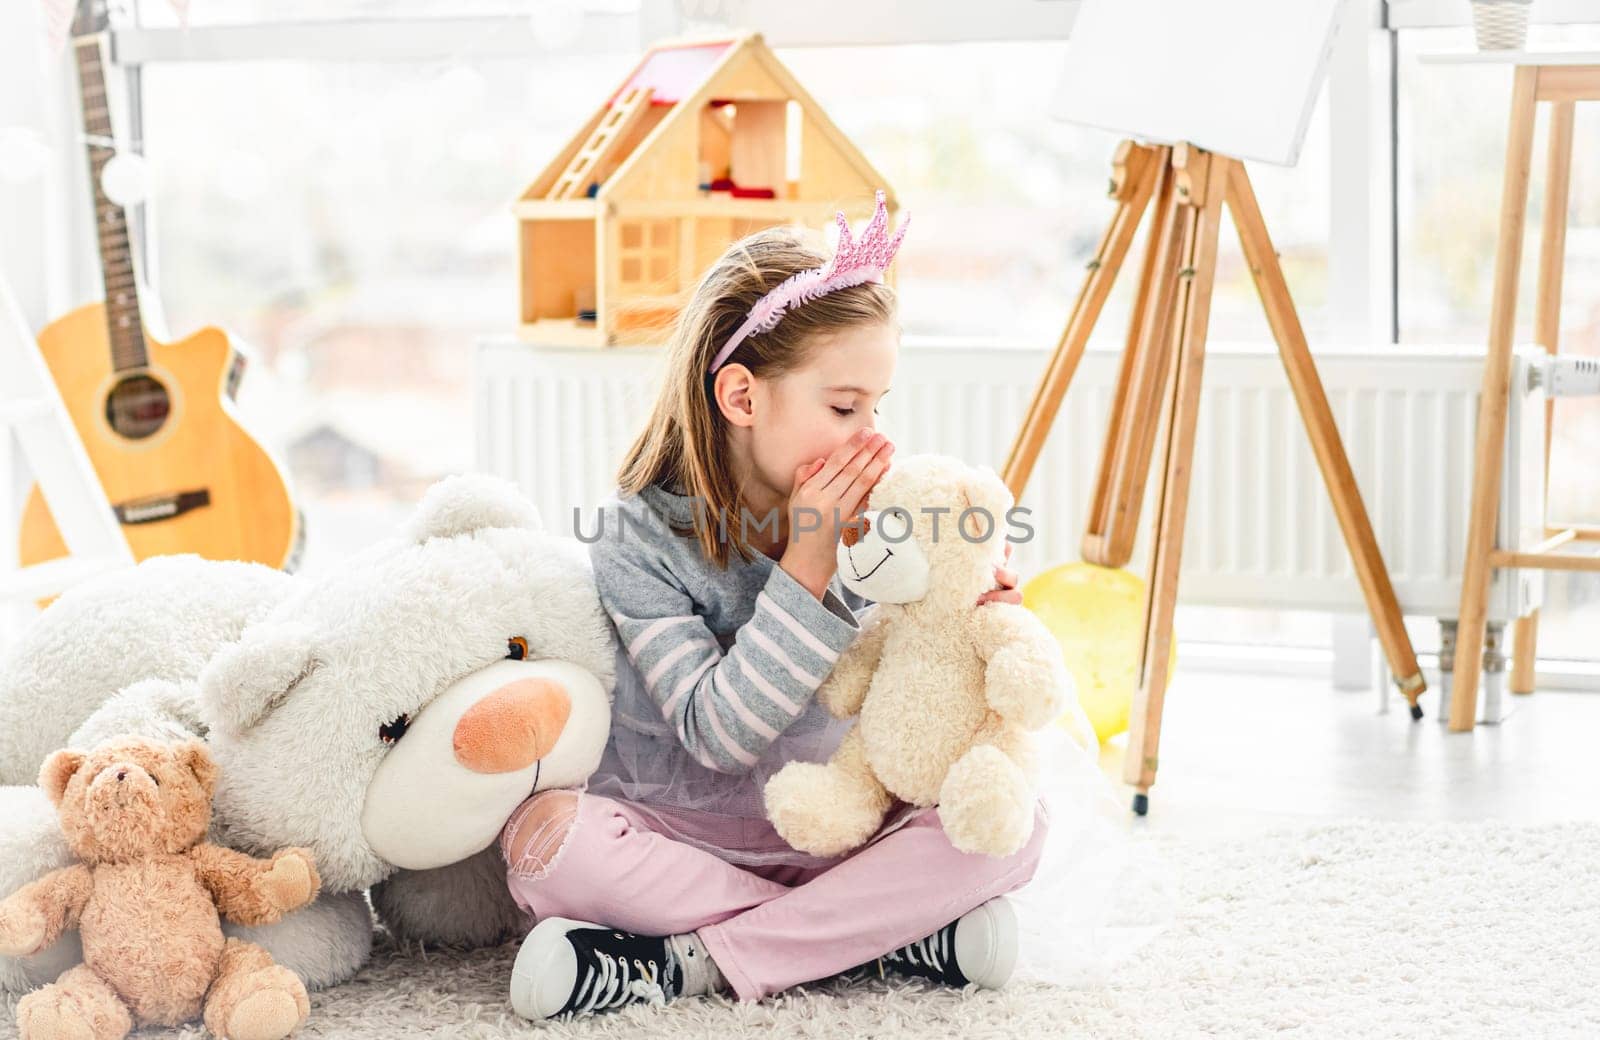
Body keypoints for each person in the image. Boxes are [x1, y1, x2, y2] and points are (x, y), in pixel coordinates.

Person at [500, 193, 1056, 1021]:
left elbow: (915, 695)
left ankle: (695, 963)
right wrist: (806, 562)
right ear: (741, 398)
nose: (874, 436)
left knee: (1020, 820)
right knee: (545, 849)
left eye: (878, 406)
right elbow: (717, 736)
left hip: (848, 824)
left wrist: (965, 620)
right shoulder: (637, 538)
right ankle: (878, 939)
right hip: (686, 832)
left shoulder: (891, 519)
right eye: (844, 407)